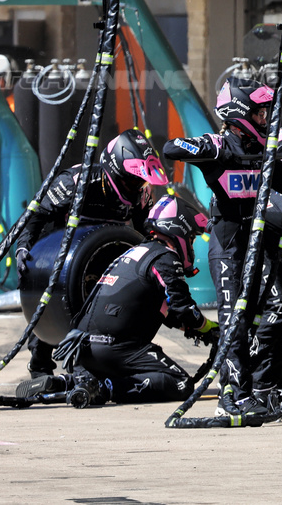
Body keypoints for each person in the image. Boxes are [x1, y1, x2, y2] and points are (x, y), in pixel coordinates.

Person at [161, 78, 282, 416]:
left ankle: (263, 386)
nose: (267, 119)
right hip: (229, 244)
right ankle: (234, 392)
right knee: (233, 316)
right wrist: (216, 148)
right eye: (261, 113)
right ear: (240, 114)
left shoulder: (263, 151)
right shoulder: (221, 146)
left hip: (260, 239)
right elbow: (171, 147)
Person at [17, 194, 217, 406]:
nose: (191, 245)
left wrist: (201, 330)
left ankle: (66, 383)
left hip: (83, 348)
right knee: (181, 383)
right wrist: (211, 328)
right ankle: (105, 389)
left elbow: (172, 315)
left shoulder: (135, 252)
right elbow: (184, 309)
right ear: (180, 230)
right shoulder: (165, 258)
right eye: (192, 238)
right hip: (114, 348)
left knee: (116, 370)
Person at [17, 128, 169, 379]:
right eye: (131, 179)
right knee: (53, 303)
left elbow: (146, 233)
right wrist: (24, 247)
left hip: (104, 255)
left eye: (139, 180)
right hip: (57, 253)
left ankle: (102, 362)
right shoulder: (75, 182)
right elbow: (36, 214)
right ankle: (40, 366)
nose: (136, 185)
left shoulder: (141, 193)